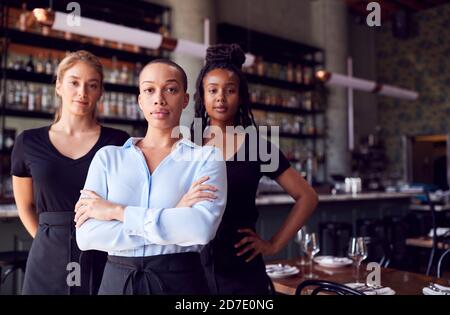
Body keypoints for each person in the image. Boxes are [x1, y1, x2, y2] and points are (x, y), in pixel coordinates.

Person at [74, 59, 227, 295]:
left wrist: (117, 212)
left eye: (171, 89)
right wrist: (173, 217)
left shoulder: (206, 158)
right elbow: (86, 236)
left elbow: (200, 229)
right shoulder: (108, 158)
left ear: (185, 99)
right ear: (140, 100)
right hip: (117, 282)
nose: (159, 99)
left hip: (181, 282)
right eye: (149, 90)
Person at [193, 44, 319, 294]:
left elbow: (307, 196)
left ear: (240, 97)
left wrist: (273, 245)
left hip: (242, 267)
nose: (220, 97)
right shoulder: (187, 144)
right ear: (202, 96)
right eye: (213, 90)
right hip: (193, 267)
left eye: (230, 90)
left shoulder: (257, 145)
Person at [11, 50, 130, 295]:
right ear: (58, 86)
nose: (82, 92)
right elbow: (25, 206)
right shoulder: (28, 142)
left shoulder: (118, 141)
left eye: (92, 85)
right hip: (46, 256)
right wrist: (48, 241)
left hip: (103, 254)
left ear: (100, 92)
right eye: (74, 82)